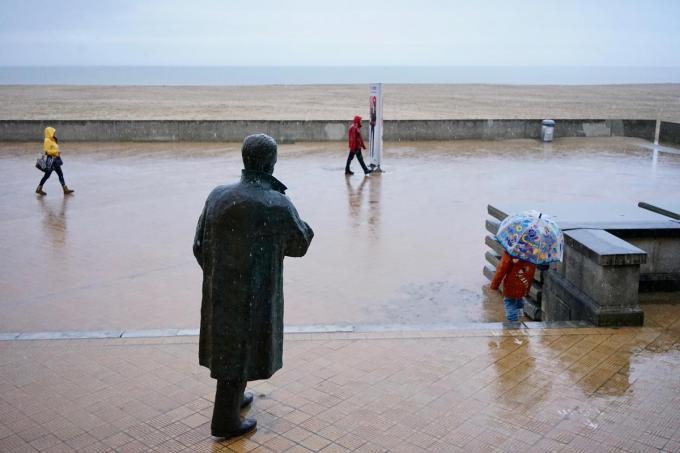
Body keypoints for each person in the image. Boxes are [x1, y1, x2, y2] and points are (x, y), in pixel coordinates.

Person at [193, 134, 314, 439]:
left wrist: (220, 275)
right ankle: (224, 420)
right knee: (242, 347)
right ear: (271, 163)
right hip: (255, 296)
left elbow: (199, 246)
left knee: (233, 348)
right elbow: (300, 243)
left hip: (221, 292)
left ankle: (236, 398)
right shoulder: (276, 202)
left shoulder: (218, 195)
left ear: (245, 159)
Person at [489, 251, 536, 322]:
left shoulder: (511, 251)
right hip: (523, 285)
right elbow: (531, 272)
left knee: (510, 302)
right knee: (519, 300)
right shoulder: (532, 253)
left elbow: (501, 269)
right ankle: (520, 319)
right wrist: (527, 288)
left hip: (511, 285)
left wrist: (494, 285)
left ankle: (513, 325)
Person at [36, 127, 74, 196]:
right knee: (47, 175)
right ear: (49, 132)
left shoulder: (52, 139)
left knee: (60, 174)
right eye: (53, 132)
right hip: (51, 161)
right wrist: (56, 151)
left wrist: (57, 152)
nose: (54, 133)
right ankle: (39, 188)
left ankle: (65, 189)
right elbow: (47, 151)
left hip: (56, 160)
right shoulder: (47, 140)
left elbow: (54, 148)